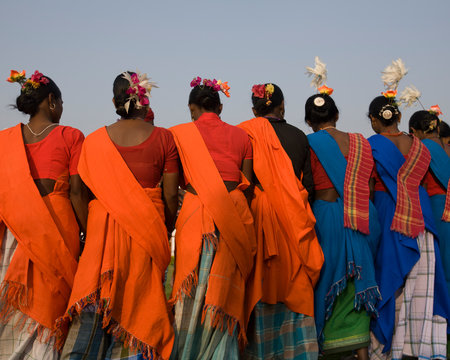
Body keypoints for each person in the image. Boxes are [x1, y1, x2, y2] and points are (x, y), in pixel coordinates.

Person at [59, 71, 178, 360]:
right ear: (145, 101)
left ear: (114, 101)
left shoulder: (94, 140)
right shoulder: (164, 137)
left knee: (93, 309)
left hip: (101, 234)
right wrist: (163, 228)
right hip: (146, 234)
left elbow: (81, 193)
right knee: (140, 305)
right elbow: (172, 195)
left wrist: (93, 229)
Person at [0, 70, 87, 359]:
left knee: (12, 309)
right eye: (60, 103)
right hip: (56, 232)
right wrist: (88, 230)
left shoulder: (4, 140)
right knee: (50, 308)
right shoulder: (71, 136)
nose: (62, 109)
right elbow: (77, 193)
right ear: (51, 100)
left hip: (14, 233)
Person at [169, 77, 256, 359]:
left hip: (196, 214)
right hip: (235, 211)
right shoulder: (242, 137)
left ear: (192, 108)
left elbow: (174, 182)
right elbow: (249, 182)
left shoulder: (178, 134)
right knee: (226, 290)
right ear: (219, 107)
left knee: (191, 289)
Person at [238, 83, 323, 360]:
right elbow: (308, 186)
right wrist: (288, 204)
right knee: (296, 282)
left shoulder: (244, 133)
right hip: (293, 219)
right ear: (283, 106)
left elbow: (243, 182)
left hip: (258, 220)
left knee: (259, 284)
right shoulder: (299, 136)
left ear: (254, 110)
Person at [368, 95, 450, 360]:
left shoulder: (372, 146)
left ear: (373, 119)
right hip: (422, 216)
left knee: (390, 279)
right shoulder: (420, 147)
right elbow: (424, 183)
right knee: (420, 284)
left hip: (389, 213)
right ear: (400, 117)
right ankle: (418, 345)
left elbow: (368, 185)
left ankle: (387, 345)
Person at [304, 87, 381, 360]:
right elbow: (369, 185)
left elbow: (308, 186)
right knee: (356, 278)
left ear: (308, 120)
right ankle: (361, 349)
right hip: (360, 215)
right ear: (336, 115)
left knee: (326, 277)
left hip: (325, 215)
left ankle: (325, 346)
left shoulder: (310, 143)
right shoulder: (361, 142)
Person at [409, 108, 450, 357]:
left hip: (437, 208)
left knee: (441, 267)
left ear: (418, 131)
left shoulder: (423, 149)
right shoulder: (445, 148)